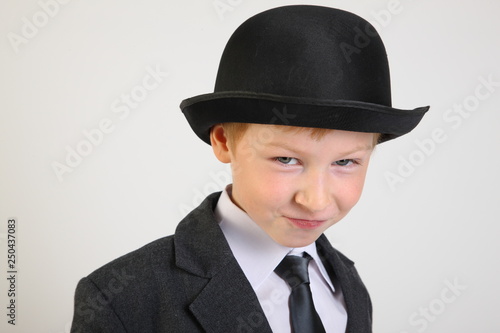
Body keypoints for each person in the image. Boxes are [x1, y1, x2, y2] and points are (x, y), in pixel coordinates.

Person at [70, 5, 429, 333]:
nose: (315, 201)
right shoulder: (120, 299)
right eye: (286, 159)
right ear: (224, 141)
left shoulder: (347, 282)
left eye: (345, 162)